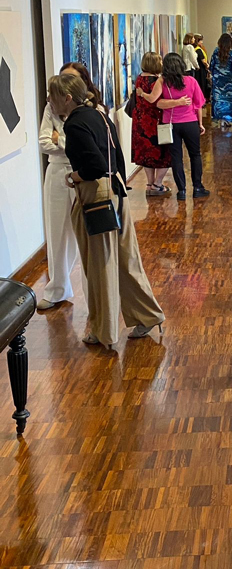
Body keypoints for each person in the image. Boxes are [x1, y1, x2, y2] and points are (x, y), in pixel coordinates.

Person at [48, 73, 165, 348]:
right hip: (117, 192)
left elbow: (94, 166)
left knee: (100, 266)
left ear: (67, 98)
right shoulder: (99, 115)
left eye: (52, 96)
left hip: (97, 198)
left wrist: (74, 177)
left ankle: (104, 331)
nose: (50, 101)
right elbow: (116, 159)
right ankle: (148, 315)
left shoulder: (74, 125)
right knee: (127, 260)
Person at [140, 52, 209, 201]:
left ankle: (182, 191)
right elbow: (198, 104)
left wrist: (172, 103)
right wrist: (200, 124)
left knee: (176, 158)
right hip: (190, 122)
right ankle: (198, 188)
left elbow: (157, 103)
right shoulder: (191, 81)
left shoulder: (162, 81)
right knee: (195, 155)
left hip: (170, 124)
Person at [37, 77, 80, 310]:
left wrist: (60, 138)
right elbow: (44, 143)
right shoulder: (50, 108)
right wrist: (68, 143)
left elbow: (86, 145)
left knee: (85, 232)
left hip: (82, 172)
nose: (49, 98)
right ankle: (57, 288)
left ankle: (94, 290)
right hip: (56, 173)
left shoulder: (89, 110)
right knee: (56, 232)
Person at [128, 53, 180, 197]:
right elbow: (156, 101)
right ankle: (157, 184)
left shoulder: (139, 79)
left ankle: (149, 184)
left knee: (147, 152)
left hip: (140, 120)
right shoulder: (158, 81)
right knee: (164, 152)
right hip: (155, 121)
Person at [210, 33, 232, 127]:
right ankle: (229, 119)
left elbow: (211, 65)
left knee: (218, 99)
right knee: (229, 100)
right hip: (229, 80)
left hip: (217, 80)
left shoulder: (216, 51)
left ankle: (220, 119)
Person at [194, 35, 210, 101]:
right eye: (200, 41)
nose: (202, 42)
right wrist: (208, 66)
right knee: (202, 85)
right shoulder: (198, 50)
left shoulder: (196, 49)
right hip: (201, 70)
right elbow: (203, 60)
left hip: (199, 70)